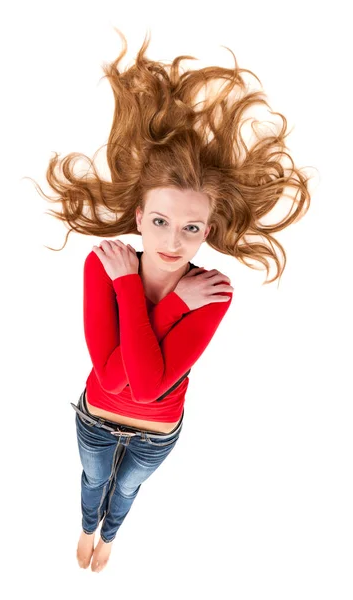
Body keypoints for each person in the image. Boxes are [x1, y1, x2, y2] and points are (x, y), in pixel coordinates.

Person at [29, 27, 313, 573]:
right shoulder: (104, 262)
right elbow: (114, 380)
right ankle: (88, 525)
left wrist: (138, 291)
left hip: (158, 432)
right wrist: (163, 300)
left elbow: (150, 381)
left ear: (208, 230)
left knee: (128, 490)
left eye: (191, 227)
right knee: (92, 479)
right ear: (139, 217)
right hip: (96, 417)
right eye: (159, 221)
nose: (172, 241)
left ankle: (109, 535)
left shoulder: (210, 292)